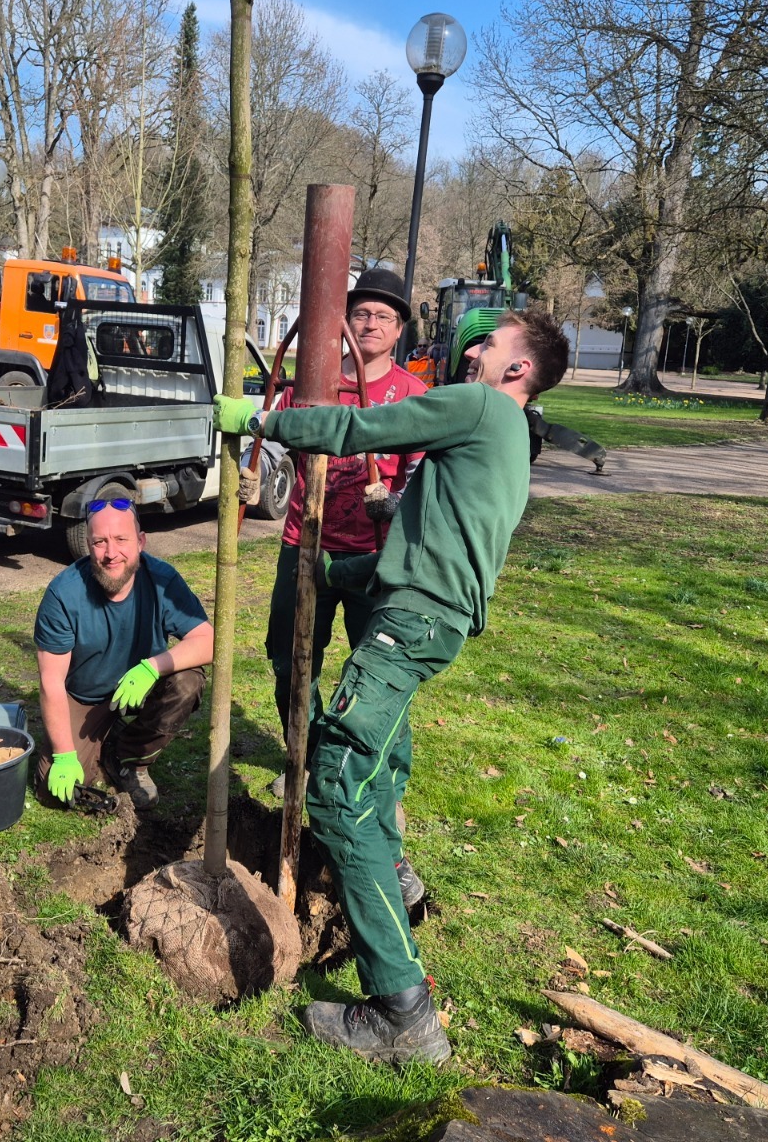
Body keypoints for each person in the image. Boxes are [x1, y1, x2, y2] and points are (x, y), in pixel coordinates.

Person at [213, 306, 571, 1065]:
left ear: (518, 371)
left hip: (411, 624)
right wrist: (335, 573)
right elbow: (438, 545)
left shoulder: (483, 406)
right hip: (424, 616)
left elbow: (359, 429)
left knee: (337, 787)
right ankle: (393, 884)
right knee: (368, 769)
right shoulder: (507, 439)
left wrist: (262, 417)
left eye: (492, 343)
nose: (474, 350)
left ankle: (402, 1012)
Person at [264, 268, 427, 907]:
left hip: (374, 559)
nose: (371, 324)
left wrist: (398, 507)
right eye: (361, 313)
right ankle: (300, 757)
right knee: (288, 658)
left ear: (399, 329)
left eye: (385, 316)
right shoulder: (319, 379)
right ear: (345, 320)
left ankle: (382, 781)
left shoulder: (413, 392)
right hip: (303, 542)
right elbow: (277, 425)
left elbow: (424, 471)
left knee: (382, 676)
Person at [33, 500, 213, 811]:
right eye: (100, 542)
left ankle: (131, 759)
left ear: (140, 541)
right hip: (84, 697)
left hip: (141, 686)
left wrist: (152, 668)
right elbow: (51, 681)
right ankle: (104, 737)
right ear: (88, 544)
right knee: (57, 792)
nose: (111, 553)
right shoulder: (63, 594)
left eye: (121, 540)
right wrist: (63, 756)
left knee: (187, 681)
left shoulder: (162, 581)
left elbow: (208, 641)